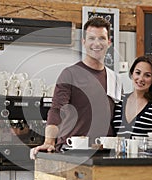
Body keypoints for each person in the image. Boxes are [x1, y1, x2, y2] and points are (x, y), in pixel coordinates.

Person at [30, 17, 122, 159]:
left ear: (109, 43)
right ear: (84, 43)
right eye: (91, 38)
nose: (96, 43)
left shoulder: (114, 78)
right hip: (72, 152)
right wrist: (49, 141)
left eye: (102, 38)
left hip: (104, 154)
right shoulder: (70, 74)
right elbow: (56, 110)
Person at [112, 55, 152, 137]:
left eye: (147, 75)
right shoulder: (119, 101)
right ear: (132, 73)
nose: (140, 79)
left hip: (147, 150)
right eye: (138, 73)